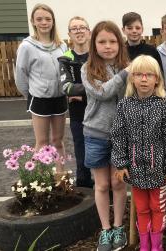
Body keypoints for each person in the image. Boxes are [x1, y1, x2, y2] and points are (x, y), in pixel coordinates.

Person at [68, 20, 130, 251]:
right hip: (95, 133)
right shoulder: (87, 69)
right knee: (102, 185)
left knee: (118, 183)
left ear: (120, 43)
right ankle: (105, 230)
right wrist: (125, 74)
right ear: (94, 44)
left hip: (122, 135)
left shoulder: (127, 66)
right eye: (102, 41)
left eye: (113, 41)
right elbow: (102, 93)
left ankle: (118, 226)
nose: (108, 46)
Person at [111, 55, 166, 251]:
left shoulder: (165, 105)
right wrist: (121, 164)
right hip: (134, 172)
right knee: (141, 209)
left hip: (158, 172)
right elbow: (118, 136)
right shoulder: (124, 105)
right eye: (139, 74)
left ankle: (156, 246)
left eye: (149, 75)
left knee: (157, 208)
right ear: (132, 78)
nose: (144, 79)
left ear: (157, 79)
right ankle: (144, 245)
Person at [15, 3, 67, 175]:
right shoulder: (26, 46)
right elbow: (21, 75)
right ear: (33, 22)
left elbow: (66, 72)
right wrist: (31, 95)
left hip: (59, 98)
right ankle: (41, 179)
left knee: (58, 140)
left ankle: (61, 176)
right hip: (39, 100)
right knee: (42, 141)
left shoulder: (62, 45)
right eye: (39, 19)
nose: (44, 22)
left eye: (47, 19)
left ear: (53, 22)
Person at [59, 16, 94, 188]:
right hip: (78, 115)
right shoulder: (65, 58)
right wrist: (91, 90)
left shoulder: (97, 55)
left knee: (106, 155)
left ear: (89, 32)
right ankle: (85, 190)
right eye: (74, 28)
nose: (79, 31)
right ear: (69, 34)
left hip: (99, 113)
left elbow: (105, 86)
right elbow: (65, 87)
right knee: (81, 156)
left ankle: (108, 191)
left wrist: (80, 92)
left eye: (82, 27)